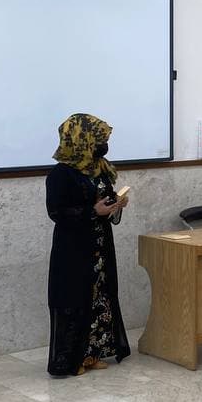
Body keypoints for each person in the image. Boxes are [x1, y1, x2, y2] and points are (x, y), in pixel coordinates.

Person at [45, 114, 131, 377]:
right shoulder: (61, 174)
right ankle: (71, 360)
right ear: (82, 139)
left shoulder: (98, 168)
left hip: (100, 245)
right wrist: (93, 211)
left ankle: (92, 354)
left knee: (99, 296)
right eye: (99, 138)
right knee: (74, 299)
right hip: (73, 249)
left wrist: (116, 204)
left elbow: (104, 202)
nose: (103, 144)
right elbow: (56, 212)